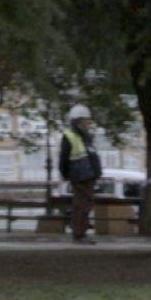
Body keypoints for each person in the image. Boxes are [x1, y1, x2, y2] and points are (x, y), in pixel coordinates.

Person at [58, 104, 103, 244]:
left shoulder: (85, 136)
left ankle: (81, 233)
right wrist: (65, 174)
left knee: (86, 205)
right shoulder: (70, 136)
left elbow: (92, 155)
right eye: (86, 121)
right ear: (78, 122)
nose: (89, 124)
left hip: (88, 175)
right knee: (81, 206)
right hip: (80, 175)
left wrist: (97, 173)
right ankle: (79, 234)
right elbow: (63, 158)